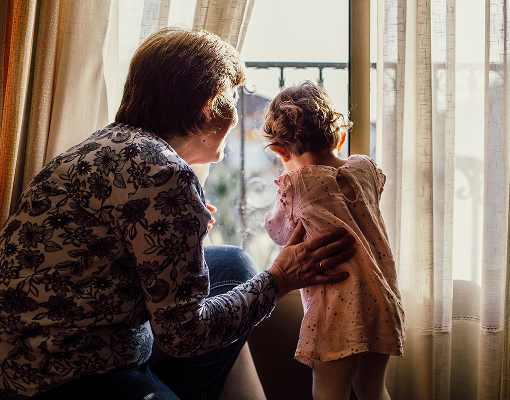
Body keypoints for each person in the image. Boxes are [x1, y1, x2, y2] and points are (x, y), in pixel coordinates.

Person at [0, 29, 356, 400]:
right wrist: (280, 279)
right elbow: (183, 335)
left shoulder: (102, 145)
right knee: (247, 283)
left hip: (19, 354)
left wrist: (182, 228)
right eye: (231, 98)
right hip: (69, 376)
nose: (235, 114)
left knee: (234, 264)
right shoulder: (166, 175)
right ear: (209, 105)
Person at [263, 82, 405, 400]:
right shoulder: (365, 168)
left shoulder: (295, 184)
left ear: (279, 151)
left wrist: (276, 211)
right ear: (340, 137)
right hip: (381, 297)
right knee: (372, 388)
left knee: (330, 390)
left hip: (338, 309)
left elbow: (281, 233)